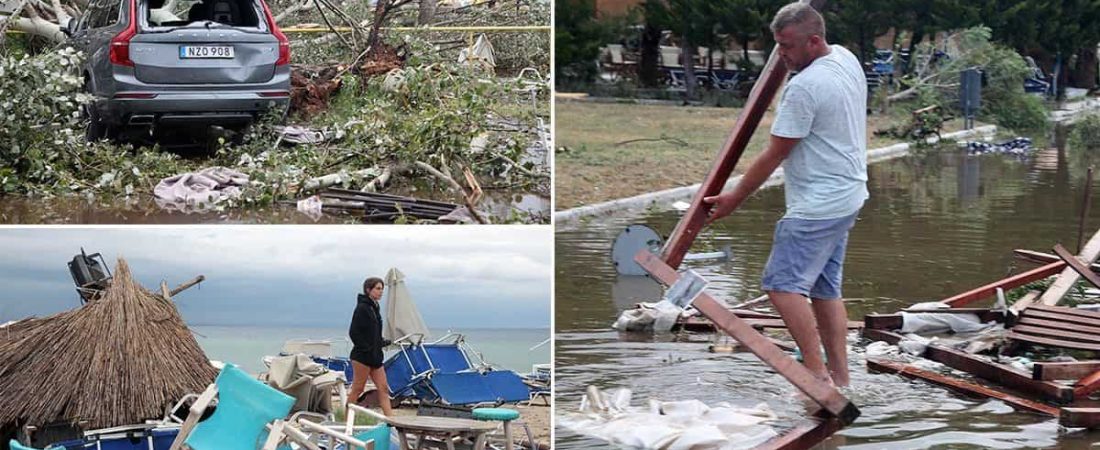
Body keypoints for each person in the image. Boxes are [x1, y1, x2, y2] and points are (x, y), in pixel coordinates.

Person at [702, 3, 868, 388]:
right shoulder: (845, 57)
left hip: (819, 204)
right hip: (848, 193)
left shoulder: (805, 87)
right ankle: (840, 379)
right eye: (777, 45)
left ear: (814, 40)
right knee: (826, 289)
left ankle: (815, 374)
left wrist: (734, 198)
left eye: (788, 46)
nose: (781, 56)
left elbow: (776, 152)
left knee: (781, 286)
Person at [348, 277, 394, 415]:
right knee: (358, 389)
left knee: (383, 388)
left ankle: (391, 421)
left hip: (375, 357)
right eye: (378, 289)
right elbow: (354, 333)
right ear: (368, 290)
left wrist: (381, 342)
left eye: (382, 289)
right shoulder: (362, 308)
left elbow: (373, 333)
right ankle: (346, 419)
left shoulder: (375, 307)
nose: (381, 292)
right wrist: (366, 348)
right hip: (362, 357)